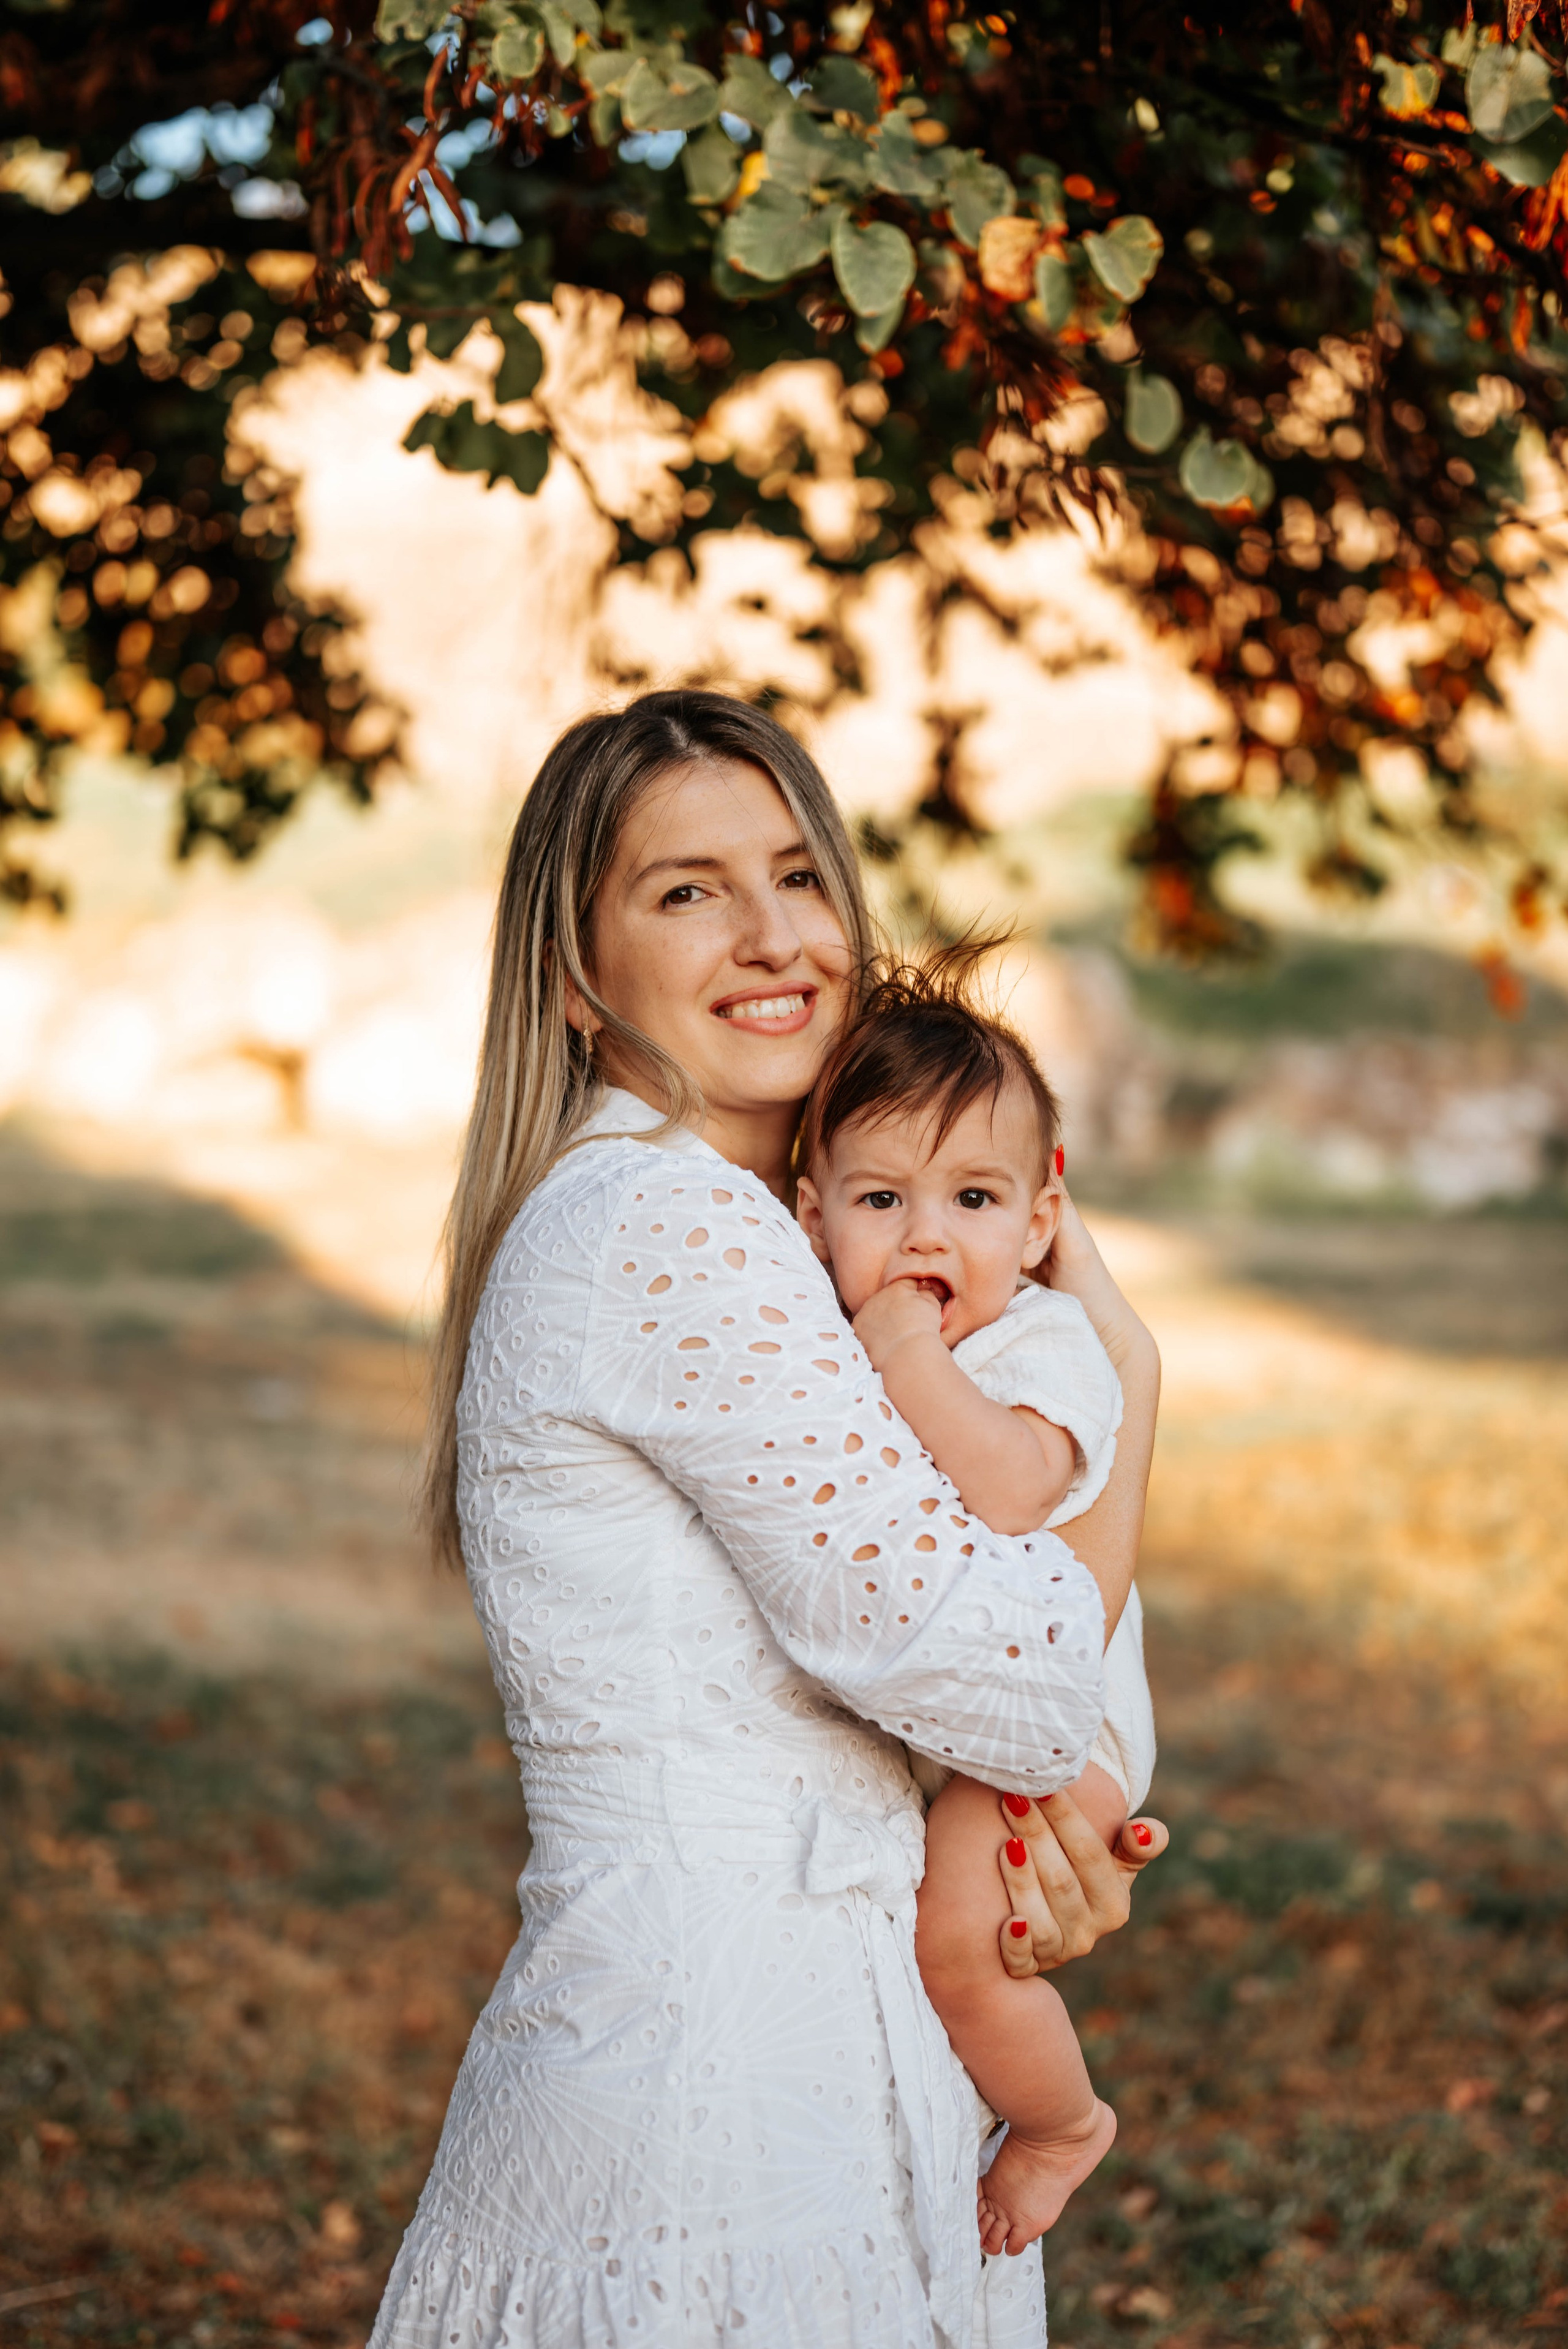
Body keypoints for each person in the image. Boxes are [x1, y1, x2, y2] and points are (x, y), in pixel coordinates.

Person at [369, 690, 1166, 2349]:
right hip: (716, 2106)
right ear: (580, 975)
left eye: (799, 875)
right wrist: (1134, 1390)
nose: (770, 934)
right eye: (687, 890)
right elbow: (1017, 1686)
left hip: (835, 2050)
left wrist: (1029, 1859)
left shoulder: (766, 1229)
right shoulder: (671, 1227)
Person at [795, 951, 1158, 2261]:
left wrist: (898, 1351)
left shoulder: (1041, 1345)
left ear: (1042, 1217)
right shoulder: (827, 1325)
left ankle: (1061, 2122)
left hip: (1065, 1718)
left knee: (961, 1938)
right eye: (881, 1198)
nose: (927, 1236)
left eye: (975, 1197)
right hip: (964, 1704)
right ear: (810, 1213)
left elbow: (1009, 1489)